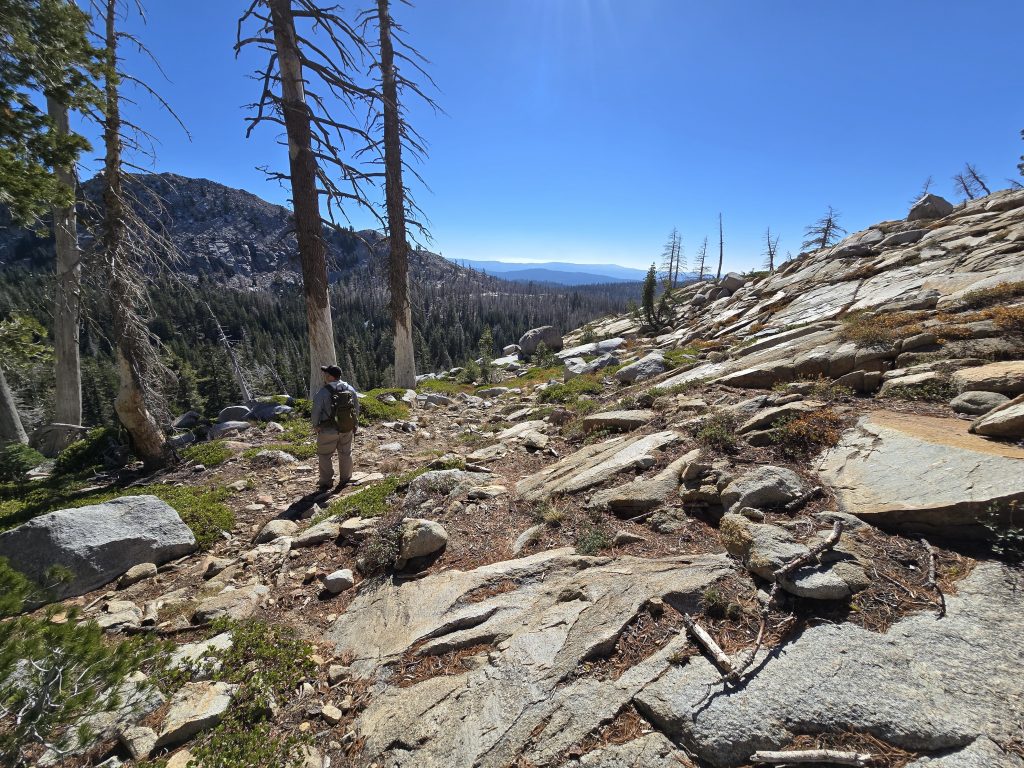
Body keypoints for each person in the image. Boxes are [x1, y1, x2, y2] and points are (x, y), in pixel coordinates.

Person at [311, 364, 360, 491]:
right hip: (346, 427)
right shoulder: (350, 388)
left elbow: (316, 410)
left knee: (325, 455)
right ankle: (345, 479)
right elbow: (355, 407)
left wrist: (315, 425)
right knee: (345, 453)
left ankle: (326, 482)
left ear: (330, 376)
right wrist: (354, 424)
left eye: (326, 374)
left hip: (327, 430)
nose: (325, 376)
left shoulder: (323, 392)